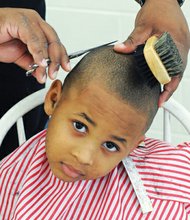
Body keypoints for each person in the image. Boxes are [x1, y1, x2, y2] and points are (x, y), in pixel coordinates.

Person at [1, 46, 189, 219]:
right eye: (79, 126)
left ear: (133, 146)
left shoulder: (170, 185)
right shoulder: (11, 178)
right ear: (54, 99)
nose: (84, 157)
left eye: (111, 145)